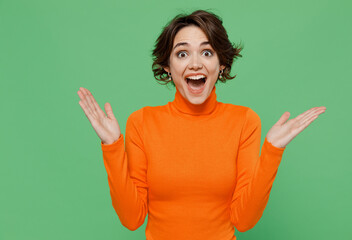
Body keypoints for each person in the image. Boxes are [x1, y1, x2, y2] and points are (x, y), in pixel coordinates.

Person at [77, 9, 326, 240]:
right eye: (182, 53)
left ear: (222, 64)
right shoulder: (142, 122)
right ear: (168, 66)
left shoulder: (244, 121)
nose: (195, 64)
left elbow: (244, 220)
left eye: (207, 52)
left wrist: (272, 150)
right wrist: (111, 146)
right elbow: (132, 219)